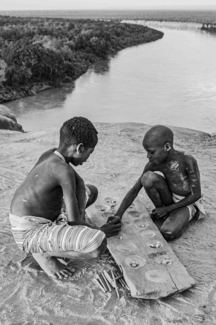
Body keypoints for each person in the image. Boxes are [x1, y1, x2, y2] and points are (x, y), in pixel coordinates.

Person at [9, 117, 121, 279]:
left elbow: (80, 185)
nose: (88, 159)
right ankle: (43, 255)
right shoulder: (63, 170)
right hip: (29, 232)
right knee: (97, 244)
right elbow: (74, 222)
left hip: (29, 218)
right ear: (80, 148)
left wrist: (81, 214)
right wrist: (102, 230)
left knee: (92, 192)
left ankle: (50, 242)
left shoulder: (51, 155)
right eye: (89, 153)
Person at [115, 125, 205, 241]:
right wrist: (118, 215)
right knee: (147, 178)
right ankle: (165, 213)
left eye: (151, 152)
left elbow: (196, 195)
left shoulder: (187, 160)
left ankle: (181, 215)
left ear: (167, 146)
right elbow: (135, 190)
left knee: (167, 232)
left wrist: (168, 209)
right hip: (170, 200)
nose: (148, 156)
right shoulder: (154, 164)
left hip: (187, 202)